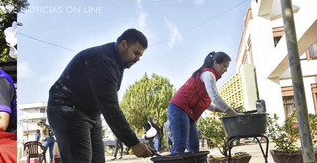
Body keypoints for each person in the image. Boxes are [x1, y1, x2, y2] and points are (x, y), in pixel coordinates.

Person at [47, 28, 153, 162]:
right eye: (136, 53)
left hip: (92, 114)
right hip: (68, 109)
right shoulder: (103, 60)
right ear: (123, 44)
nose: (137, 59)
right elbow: (110, 106)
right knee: (81, 159)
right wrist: (133, 143)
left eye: (140, 56)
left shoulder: (118, 63)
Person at [168, 51, 240, 154]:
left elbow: (208, 106)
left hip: (188, 113)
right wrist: (234, 113)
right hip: (179, 108)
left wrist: (230, 111)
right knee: (180, 145)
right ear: (215, 63)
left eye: (227, 67)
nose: (226, 70)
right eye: (224, 66)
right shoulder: (208, 74)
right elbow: (215, 97)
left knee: (194, 147)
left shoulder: (210, 77)